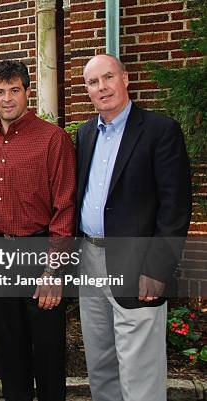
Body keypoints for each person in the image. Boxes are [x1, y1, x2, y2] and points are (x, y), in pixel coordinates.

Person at [77, 54, 192, 401]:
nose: (102, 87)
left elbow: (175, 208)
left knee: (140, 373)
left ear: (125, 79)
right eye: (93, 82)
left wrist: (157, 268)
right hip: (90, 261)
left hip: (138, 267)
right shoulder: (84, 135)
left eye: (108, 77)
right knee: (100, 366)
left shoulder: (160, 131)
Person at [0, 60, 76, 401]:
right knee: (9, 348)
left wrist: (54, 270)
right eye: (0, 91)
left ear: (27, 92)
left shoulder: (53, 139)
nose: (7, 99)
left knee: (48, 351)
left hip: (39, 254)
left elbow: (65, 207)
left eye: (14, 90)